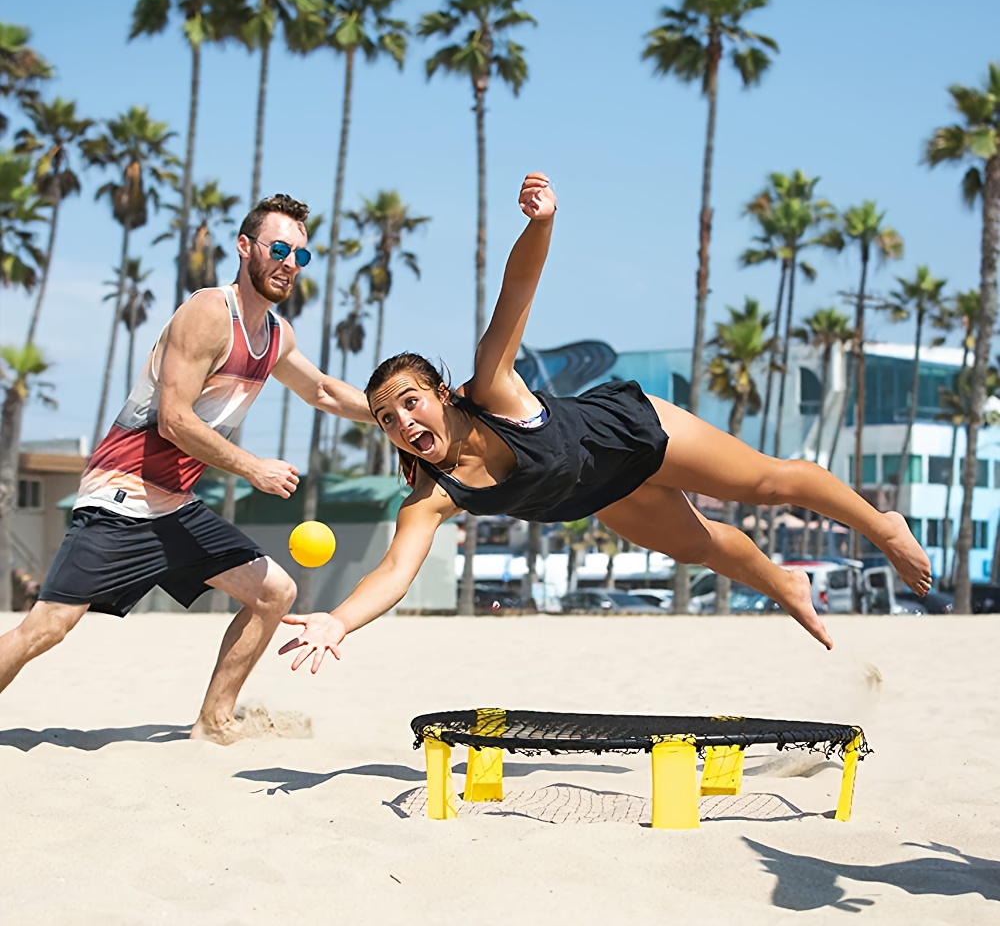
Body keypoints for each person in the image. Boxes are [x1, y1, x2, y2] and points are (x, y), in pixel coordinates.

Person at [279, 173, 932, 673]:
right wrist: (337, 622)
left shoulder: (493, 386)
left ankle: (882, 525)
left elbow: (516, 295)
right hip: (597, 492)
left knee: (765, 485)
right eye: (388, 418)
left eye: (410, 402)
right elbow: (394, 572)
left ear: (443, 394)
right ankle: (785, 581)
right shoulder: (429, 498)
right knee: (701, 546)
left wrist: (542, 224)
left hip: (629, 432)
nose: (402, 421)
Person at [0, 193, 371, 743]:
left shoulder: (276, 335)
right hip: (121, 496)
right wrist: (253, 469)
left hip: (174, 506)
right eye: (278, 248)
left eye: (301, 255)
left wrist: (398, 417)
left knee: (274, 593)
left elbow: (321, 390)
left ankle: (214, 720)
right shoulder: (207, 313)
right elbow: (173, 420)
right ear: (245, 247)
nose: (290, 263)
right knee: (49, 626)